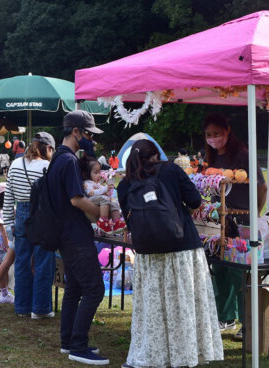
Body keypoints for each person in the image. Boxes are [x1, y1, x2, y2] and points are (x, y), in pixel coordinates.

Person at [117, 139, 223, 368]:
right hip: (181, 248)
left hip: (148, 253)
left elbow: (127, 216)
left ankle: (152, 354)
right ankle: (185, 354)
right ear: (157, 154)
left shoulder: (125, 184)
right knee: (183, 304)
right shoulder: (172, 170)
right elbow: (195, 200)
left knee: (153, 309)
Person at [49, 111, 108, 365]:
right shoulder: (70, 161)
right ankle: (78, 346)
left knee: (74, 288)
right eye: (88, 134)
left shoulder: (57, 158)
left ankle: (68, 342)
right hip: (75, 235)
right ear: (76, 132)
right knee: (95, 289)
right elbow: (76, 199)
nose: (90, 140)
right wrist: (100, 214)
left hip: (63, 234)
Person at [203, 113, 267, 339]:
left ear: (227, 131)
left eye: (217, 134)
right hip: (219, 220)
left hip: (242, 221)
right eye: (209, 135)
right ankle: (225, 318)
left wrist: (254, 214)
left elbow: (262, 187)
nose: (213, 138)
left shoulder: (242, 154)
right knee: (219, 267)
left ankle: (246, 323)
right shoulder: (211, 156)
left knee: (240, 272)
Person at [1, 132, 56, 318]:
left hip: (21, 214)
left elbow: (8, 198)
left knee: (22, 262)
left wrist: (9, 224)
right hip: (42, 215)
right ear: (47, 148)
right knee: (43, 261)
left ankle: (22, 307)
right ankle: (41, 308)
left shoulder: (15, 164)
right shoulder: (48, 167)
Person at [79, 156, 125, 235]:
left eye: (99, 172)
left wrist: (107, 191)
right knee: (104, 198)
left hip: (99, 202)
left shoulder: (97, 183)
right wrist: (104, 190)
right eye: (96, 172)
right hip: (90, 202)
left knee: (113, 203)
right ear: (86, 173)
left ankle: (117, 222)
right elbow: (91, 193)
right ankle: (103, 221)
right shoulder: (86, 183)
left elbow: (103, 191)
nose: (99, 175)